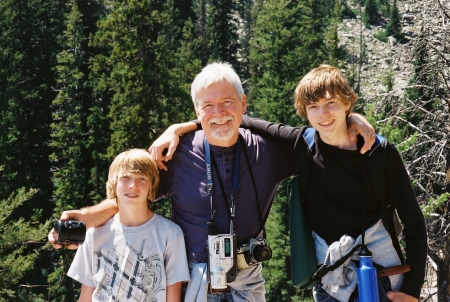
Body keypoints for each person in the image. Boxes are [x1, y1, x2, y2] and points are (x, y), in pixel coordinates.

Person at [49, 62, 375, 302]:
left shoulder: (268, 151)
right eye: (208, 106)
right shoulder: (175, 156)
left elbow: (321, 141)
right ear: (196, 110)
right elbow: (134, 194)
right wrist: (88, 218)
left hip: (247, 278)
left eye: (227, 103)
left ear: (243, 104)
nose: (218, 114)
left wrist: (350, 118)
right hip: (192, 279)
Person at [151, 65, 427, 302]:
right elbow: (226, 119)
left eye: (331, 103)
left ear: (348, 103)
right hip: (329, 280)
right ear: (304, 112)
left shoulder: (378, 151)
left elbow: (414, 223)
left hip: (383, 272)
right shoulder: (301, 145)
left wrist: (413, 289)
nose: (323, 114)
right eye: (313, 107)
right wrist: (178, 127)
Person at [66, 149, 190, 302]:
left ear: (152, 185)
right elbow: (85, 297)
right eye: (125, 177)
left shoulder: (170, 234)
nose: (133, 185)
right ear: (114, 183)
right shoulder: (93, 235)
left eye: (142, 179)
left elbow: (173, 299)